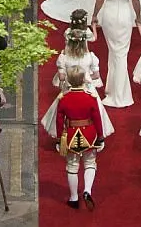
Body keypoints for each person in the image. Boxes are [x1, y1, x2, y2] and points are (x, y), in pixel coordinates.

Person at [92, 0, 141, 108]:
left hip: (109, 14)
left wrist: (94, 15)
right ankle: (119, 92)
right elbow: (135, 0)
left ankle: (115, 91)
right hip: (124, 15)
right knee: (121, 54)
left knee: (114, 53)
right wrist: (138, 17)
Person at [40, 29, 114, 141]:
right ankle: (95, 135)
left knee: (64, 112)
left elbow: (61, 77)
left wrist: (70, 78)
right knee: (94, 112)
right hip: (87, 89)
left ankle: (63, 137)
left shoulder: (64, 58)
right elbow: (96, 75)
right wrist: (85, 79)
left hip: (69, 89)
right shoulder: (90, 57)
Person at [55, 67, 105, 210]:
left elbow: (59, 121)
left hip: (71, 134)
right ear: (83, 79)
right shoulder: (90, 97)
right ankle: (87, 190)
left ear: (69, 81)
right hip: (89, 134)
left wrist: (59, 139)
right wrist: (100, 136)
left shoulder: (63, 98)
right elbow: (97, 118)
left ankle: (73, 198)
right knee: (90, 162)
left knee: (72, 166)